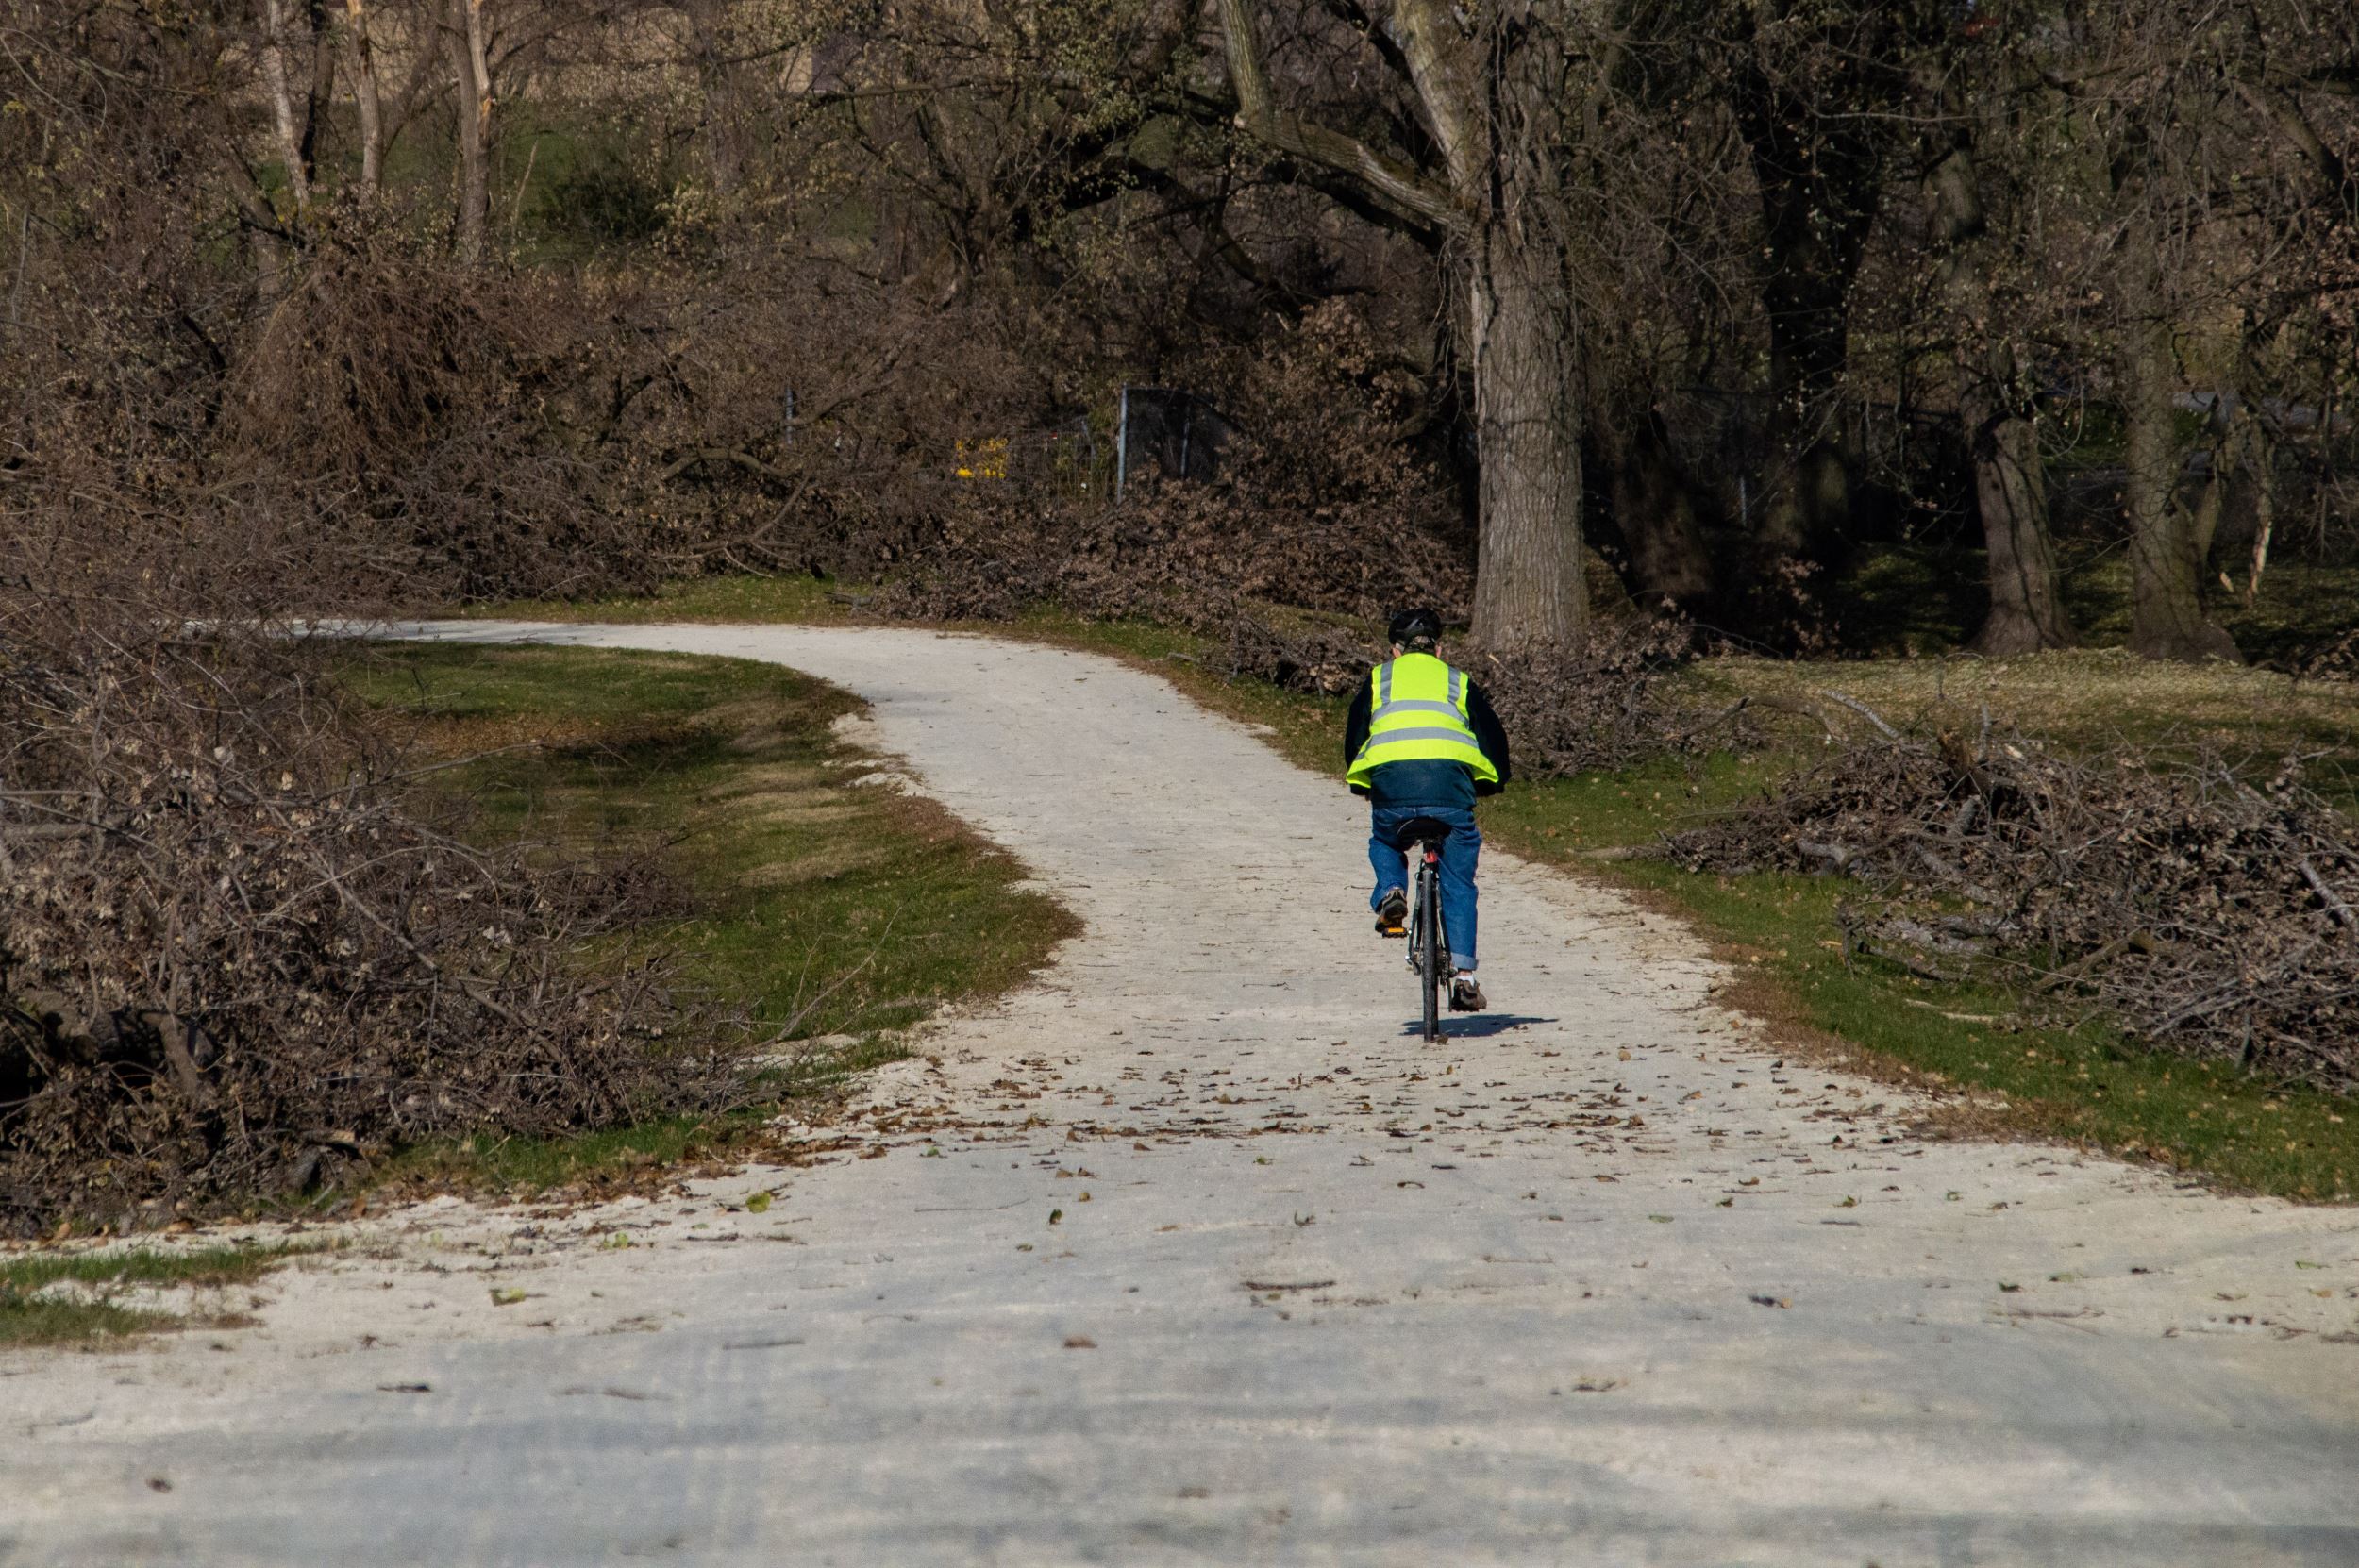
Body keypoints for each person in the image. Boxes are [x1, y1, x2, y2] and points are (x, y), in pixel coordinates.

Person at [1342, 608, 1511, 1012]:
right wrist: (1494, 780)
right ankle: (1465, 978)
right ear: (1438, 649)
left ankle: (1391, 891)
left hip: (1392, 788)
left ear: (1394, 651)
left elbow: (1355, 735)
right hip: (1450, 792)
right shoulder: (1458, 682)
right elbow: (1492, 735)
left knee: (1385, 839)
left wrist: (1358, 779)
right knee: (1459, 879)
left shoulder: (1379, 679)